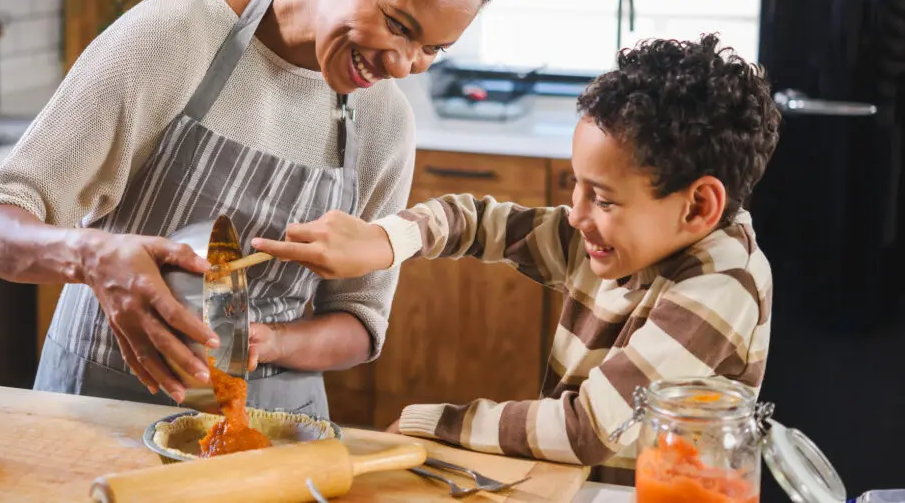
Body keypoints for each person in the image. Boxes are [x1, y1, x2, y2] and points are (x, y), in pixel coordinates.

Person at [0, 0, 533, 418]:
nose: (404, 65)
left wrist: (272, 343)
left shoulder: (383, 122)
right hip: (103, 411)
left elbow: (360, 321)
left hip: (277, 426)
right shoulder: (180, 34)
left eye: (434, 49)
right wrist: (92, 255)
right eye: (399, 25)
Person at [253, 34, 781, 471]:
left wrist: (436, 423)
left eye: (602, 199)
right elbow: (478, 222)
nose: (575, 215)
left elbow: (587, 429)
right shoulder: (618, 239)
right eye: (577, 187)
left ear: (698, 206)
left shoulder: (721, 283)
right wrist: (387, 241)